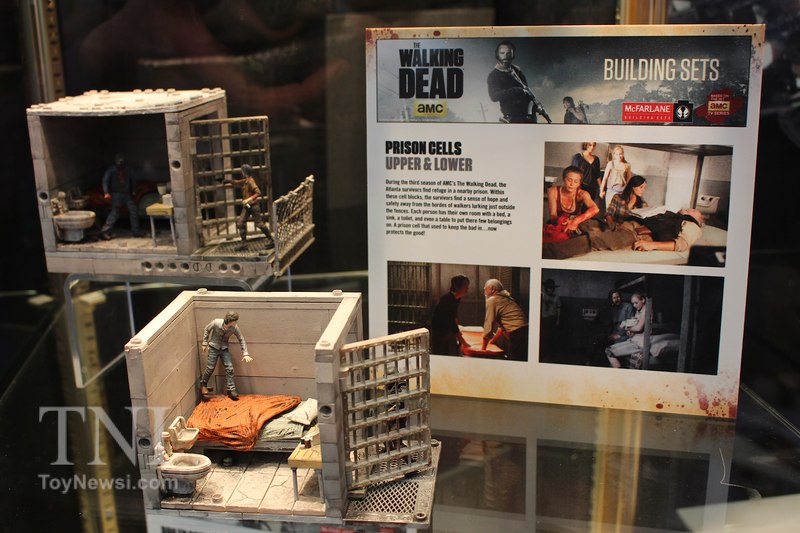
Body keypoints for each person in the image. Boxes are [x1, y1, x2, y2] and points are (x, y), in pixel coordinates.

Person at [487, 41, 550, 123]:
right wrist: (516, 90)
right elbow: (494, 96)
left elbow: (527, 90)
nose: (505, 56)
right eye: (502, 53)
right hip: (513, 118)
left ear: (513, 55)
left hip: (530, 117)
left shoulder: (516, 70)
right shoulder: (494, 75)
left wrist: (537, 106)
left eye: (509, 53)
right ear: (497, 55)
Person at [199, 311, 253, 400]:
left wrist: (245, 353)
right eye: (235, 321)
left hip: (224, 348)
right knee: (210, 368)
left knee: (229, 368)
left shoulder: (234, 328)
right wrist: (204, 343)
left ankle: (231, 389)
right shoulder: (216, 322)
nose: (236, 322)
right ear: (231, 321)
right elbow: (207, 329)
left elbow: (241, 339)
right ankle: (203, 384)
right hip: (213, 347)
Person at [225, 164, 275, 252]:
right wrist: (228, 181)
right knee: (240, 223)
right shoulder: (246, 181)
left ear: (245, 172)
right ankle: (244, 244)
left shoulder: (251, 181)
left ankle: (271, 240)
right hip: (247, 207)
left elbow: (258, 192)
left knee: (259, 224)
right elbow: (237, 182)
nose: (241, 172)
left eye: (242, 171)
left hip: (253, 206)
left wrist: (248, 199)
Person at [545, 165, 600, 238]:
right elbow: (553, 215)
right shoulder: (552, 191)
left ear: (579, 183)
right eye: (569, 180)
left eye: (576, 181)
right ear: (564, 179)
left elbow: (595, 209)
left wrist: (576, 221)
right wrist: (564, 222)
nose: (572, 184)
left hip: (576, 224)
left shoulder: (582, 194)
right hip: (558, 223)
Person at [481, 279, 529, 361]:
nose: (484, 293)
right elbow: (502, 327)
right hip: (525, 330)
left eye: (485, 289)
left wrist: (483, 349)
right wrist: (492, 341)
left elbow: (489, 324)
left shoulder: (492, 300)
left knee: (516, 360)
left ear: (492, 289)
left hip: (518, 332)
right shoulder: (506, 298)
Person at [100, 154, 142, 240]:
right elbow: (105, 180)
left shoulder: (128, 169)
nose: (120, 165)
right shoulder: (111, 170)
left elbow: (133, 179)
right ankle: (105, 231)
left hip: (126, 194)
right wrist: (106, 192)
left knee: (133, 211)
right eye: (119, 164)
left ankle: (135, 231)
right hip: (116, 194)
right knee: (115, 212)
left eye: (121, 163)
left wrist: (134, 190)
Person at [606, 292, 649, 369]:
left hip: (637, 340)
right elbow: (634, 324)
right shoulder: (638, 310)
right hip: (633, 337)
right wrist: (631, 331)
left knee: (609, 350)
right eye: (633, 303)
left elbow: (638, 328)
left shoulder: (645, 310)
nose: (634, 305)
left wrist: (627, 329)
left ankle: (617, 370)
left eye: (636, 303)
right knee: (607, 347)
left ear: (643, 300)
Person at [431, 274, 470, 356]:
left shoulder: (456, 298)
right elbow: (451, 323)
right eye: (465, 285)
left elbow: (455, 316)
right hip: (440, 334)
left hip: (447, 332)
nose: (467, 288)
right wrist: (463, 342)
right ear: (456, 286)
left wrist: (459, 331)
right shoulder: (447, 300)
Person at [633, 208, 705, 252]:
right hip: (635, 226)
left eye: (693, 210)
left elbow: (681, 244)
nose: (689, 209)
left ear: (698, 219)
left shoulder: (694, 226)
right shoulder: (674, 218)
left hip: (638, 236)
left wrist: (651, 245)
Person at [598, 144, 632, 210]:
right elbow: (605, 178)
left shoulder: (627, 165)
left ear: (623, 154)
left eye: (620, 154)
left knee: (620, 211)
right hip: (611, 191)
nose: (619, 156)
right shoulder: (610, 164)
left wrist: (628, 192)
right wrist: (601, 190)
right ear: (614, 155)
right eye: (617, 154)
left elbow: (629, 179)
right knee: (609, 211)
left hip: (622, 192)